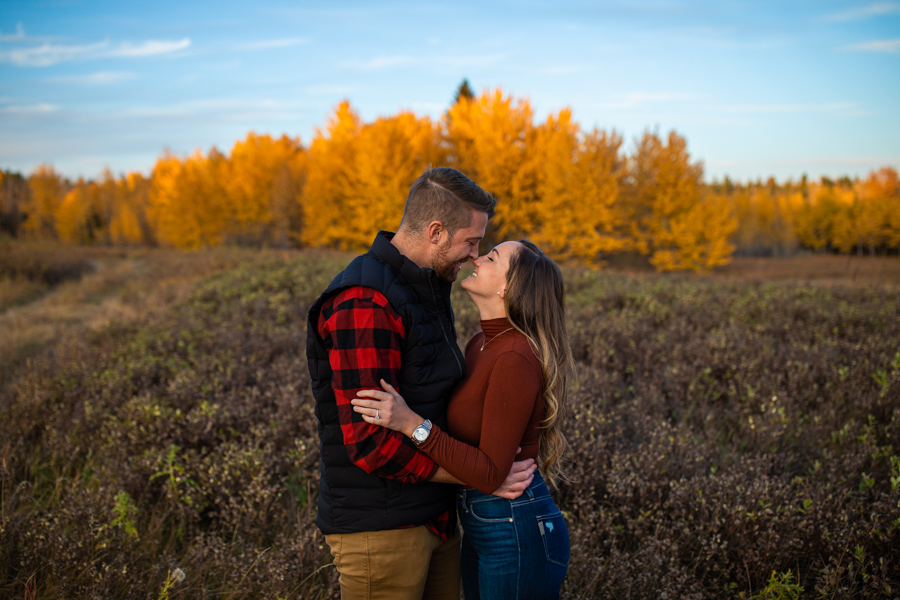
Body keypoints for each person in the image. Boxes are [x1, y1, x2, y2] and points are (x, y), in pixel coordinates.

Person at [306, 167, 538, 600]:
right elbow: (370, 443)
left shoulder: (426, 290)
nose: (473, 255)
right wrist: (478, 477)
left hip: (434, 517)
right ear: (435, 231)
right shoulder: (366, 302)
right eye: (471, 241)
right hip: (383, 530)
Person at [353, 239, 575, 600]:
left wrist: (411, 424)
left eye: (491, 257)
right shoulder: (479, 344)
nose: (477, 256)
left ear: (509, 288)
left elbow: (490, 473)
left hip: (514, 524)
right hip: (485, 521)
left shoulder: (515, 357)